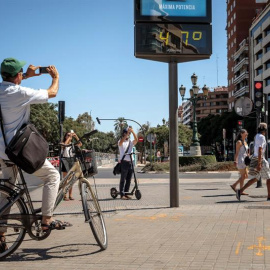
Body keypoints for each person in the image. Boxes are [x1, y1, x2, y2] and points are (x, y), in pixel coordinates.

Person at [0, 57, 71, 248]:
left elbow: (9, 87)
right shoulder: (19, 92)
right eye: (21, 72)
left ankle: (1, 234)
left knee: (7, 192)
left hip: (3, 152)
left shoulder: (5, 90)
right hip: (18, 150)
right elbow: (52, 93)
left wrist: (27, 76)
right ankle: (47, 221)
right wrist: (55, 77)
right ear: (17, 75)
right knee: (52, 176)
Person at [236, 123, 270, 201]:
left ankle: (240, 191)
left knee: (256, 178)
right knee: (269, 178)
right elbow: (260, 149)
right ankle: (269, 196)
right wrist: (259, 163)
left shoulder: (257, 136)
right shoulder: (262, 137)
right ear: (264, 130)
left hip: (255, 158)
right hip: (260, 159)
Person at [61, 130, 82, 200]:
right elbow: (64, 146)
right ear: (65, 136)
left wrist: (76, 137)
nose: (69, 136)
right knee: (65, 180)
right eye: (68, 135)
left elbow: (80, 144)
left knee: (71, 180)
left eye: (70, 135)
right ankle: (64, 195)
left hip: (71, 161)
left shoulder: (73, 144)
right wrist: (68, 139)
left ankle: (70, 195)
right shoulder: (63, 143)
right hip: (65, 160)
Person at [118, 127, 138, 200]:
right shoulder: (121, 141)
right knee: (123, 179)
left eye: (129, 133)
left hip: (130, 163)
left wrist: (132, 131)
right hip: (124, 162)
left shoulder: (130, 142)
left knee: (129, 179)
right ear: (124, 133)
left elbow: (136, 140)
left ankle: (126, 193)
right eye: (127, 133)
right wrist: (126, 134)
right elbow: (120, 143)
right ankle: (122, 194)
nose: (128, 134)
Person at [230, 129, 249, 195]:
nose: (247, 133)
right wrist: (235, 160)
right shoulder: (239, 142)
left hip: (245, 160)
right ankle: (241, 190)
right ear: (241, 134)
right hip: (241, 160)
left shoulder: (245, 141)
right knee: (243, 176)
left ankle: (234, 185)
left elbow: (246, 151)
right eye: (245, 132)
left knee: (245, 176)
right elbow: (237, 152)